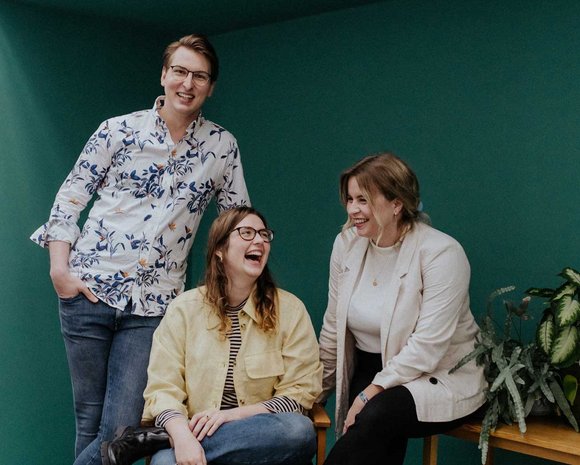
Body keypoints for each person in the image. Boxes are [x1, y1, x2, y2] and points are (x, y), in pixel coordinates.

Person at [30, 34, 249, 465]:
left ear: (211, 87)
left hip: (154, 305)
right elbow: (70, 197)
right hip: (88, 290)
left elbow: (234, 220)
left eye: (200, 76)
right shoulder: (117, 130)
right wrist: (60, 271)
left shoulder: (221, 146)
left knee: (120, 429)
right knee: (89, 421)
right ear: (164, 75)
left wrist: (225, 287)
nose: (188, 83)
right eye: (180, 71)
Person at [101, 206, 323, 465]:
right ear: (220, 249)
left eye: (264, 234)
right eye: (247, 233)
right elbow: (163, 389)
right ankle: (174, 440)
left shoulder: (290, 310)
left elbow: (298, 395)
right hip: (188, 439)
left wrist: (231, 416)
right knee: (166, 463)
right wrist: (182, 437)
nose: (259, 241)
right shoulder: (183, 310)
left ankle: (160, 439)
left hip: (262, 445)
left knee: (298, 430)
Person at [317, 153, 486, 465]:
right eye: (350, 199)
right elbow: (333, 327)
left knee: (376, 414)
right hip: (370, 367)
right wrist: (313, 395)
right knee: (373, 430)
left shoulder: (442, 253)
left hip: (437, 374)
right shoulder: (346, 244)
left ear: (396, 204)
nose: (353, 209)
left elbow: (428, 345)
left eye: (364, 200)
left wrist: (369, 393)